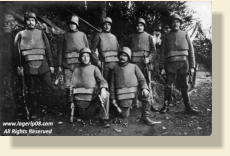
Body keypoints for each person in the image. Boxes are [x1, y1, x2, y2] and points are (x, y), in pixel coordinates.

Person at [14, 11, 54, 118]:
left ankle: (47, 109)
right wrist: (19, 66)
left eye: (32, 20)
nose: (31, 22)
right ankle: (33, 111)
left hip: (43, 65)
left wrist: (51, 65)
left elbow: (48, 49)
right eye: (28, 20)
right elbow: (16, 53)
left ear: (35, 22)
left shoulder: (41, 33)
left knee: (48, 87)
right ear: (26, 22)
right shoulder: (20, 34)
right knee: (31, 90)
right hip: (28, 65)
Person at [159, 14, 199, 114]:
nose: (175, 24)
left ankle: (188, 107)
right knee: (168, 85)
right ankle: (166, 106)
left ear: (180, 23)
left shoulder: (185, 34)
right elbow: (162, 53)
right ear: (171, 24)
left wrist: (192, 66)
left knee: (184, 86)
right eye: (173, 22)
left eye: (177, 22)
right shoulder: (167, 36)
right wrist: (161, 66)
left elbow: (191, 51)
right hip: (170, 66)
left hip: (183, 65)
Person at [110, 47, 156, 126]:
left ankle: (145, 117)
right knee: (124, 115)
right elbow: (112, 85)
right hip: (123, 96)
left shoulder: (134, 66)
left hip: (135, 93)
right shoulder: (115, 68)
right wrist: (113, 98)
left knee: (146, 94)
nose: (122, 57)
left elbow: (142, 79)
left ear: (128, 57)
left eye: (125, 56)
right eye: (121, 55)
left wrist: (144, 88)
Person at [70, 48, 110, 127]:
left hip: (91, 102)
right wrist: (71, 101)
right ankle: (78, 115)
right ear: (80, 58)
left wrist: (103, 88)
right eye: (83, 56)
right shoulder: (76, 70)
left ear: (90, 57)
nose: (85, 58)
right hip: (79, 104)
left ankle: (103, 118)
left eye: (87, 56)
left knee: (106, 94)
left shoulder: (94, 68)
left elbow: (102, 80)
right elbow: (71, 87)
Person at [57, 15, 89, 104]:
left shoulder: (82, 35)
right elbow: (60, 51)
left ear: (77, 25)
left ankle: (79, 104)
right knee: (68, 85)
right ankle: (69, 104)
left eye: (74, 24)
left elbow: (87, 50)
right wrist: (59, 65)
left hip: (80, 65)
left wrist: (89, 63)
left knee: (80, 84)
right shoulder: (64, 36)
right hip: (67, 65)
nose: (72, 25)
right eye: (70, 24)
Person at [91, 17, 119, 82]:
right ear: (103, 26)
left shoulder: (114, 37)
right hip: (104, 65)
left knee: (114, 84)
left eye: (109, 25)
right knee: (104, 84)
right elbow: (92, 51)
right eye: (105, 24)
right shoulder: (98, 36)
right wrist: (97, 62)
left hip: (115, 64)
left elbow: (119, 51)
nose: (107, 26)